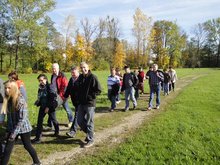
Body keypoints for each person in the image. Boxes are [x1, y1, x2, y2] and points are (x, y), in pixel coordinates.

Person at [0, 80, 40, 165]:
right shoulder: (8, 99)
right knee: (7, 149)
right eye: (5, 88)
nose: (6, 90)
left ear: (14, 89)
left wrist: (13, 134)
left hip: (23, 128)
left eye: (9, 88)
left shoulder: (20, 101)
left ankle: (37, 162)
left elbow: (22, 119)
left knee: (27, 146)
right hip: (13, 127)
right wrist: (8, 129)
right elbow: (9, 117)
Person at [77, 62, 101, 148]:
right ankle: (90, 132)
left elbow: (98, 90)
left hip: (90, 103)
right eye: (81, 68)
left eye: (84, 67)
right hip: (81, 103)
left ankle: (90, 139)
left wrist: (90, 96)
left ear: (88, 67)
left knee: (89, 121)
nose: (83, 69)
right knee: (79, 121)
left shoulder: (93, 77)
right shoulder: (80, 77)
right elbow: (77, 88)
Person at [31, 74, 59, 144]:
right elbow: (40, 97)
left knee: (54, 119)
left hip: (50, 106)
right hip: (43, 106)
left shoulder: (50, 86)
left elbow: (52, 98)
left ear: (45, 79)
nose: (40, 82)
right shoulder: (40, 87)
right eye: (39, 81)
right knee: (39, 121)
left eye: (41, 80)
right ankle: (38, 138)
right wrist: (38, 102)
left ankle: (57, 131)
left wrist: (48, 107)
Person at [48, 63, 73, 128]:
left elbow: (65, 87)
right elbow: (53, 84)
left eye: (55, 68)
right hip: (55, 95)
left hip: (63, 95)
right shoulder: (52, 76)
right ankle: (51, 123)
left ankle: (71, 121)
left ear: (58, 68)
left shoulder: (62, 76)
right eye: (52, 68)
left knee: (66, 108)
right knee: (53, 108)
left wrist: (61, 96)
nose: (53, 70)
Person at [64, 66, 80, 138]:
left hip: (81, 101)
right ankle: (89, 130)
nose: (72, 74)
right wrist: (65, 97)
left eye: (74, 72)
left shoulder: (81, 79)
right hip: (75, 102)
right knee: (83, 118)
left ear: (78, 72)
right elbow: (68, 89)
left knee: (77, 116)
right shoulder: (71, 79)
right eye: (71, 73)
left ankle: (73, 131)